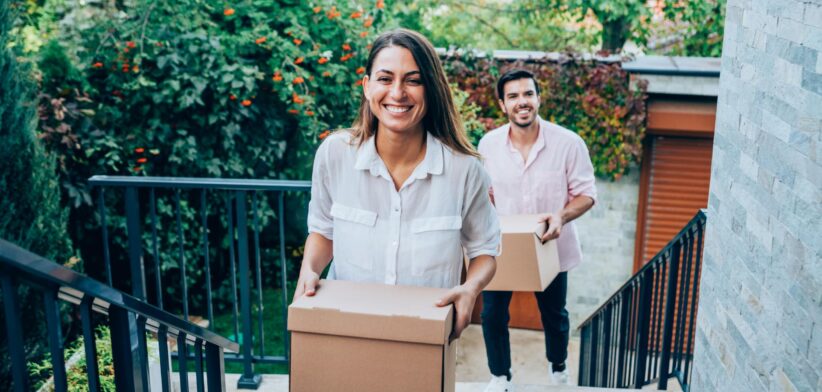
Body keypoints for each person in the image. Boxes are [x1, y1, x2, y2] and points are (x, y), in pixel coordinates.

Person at [292, 28, 500, 339]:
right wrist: (308, 270)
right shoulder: (334, 155)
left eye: (413, 80)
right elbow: (323, 230)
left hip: (424, 336)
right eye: (385, 79)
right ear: (367, 86)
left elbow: (484, 249)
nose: (398, 92)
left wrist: (471, 288)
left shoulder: (466, 171)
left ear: (430, 89)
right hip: (344, 328)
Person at [478, 69, 597, 391]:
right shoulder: (488, 145)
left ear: (538, 98)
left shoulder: (569, 143)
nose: (522, 102)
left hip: (551, 248)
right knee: (492, 315)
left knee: (555, 316)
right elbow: (485, 196)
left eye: (528, 94)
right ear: (503, 104)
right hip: (503, 248)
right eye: (513, 96)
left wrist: (561, 215)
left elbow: (587, 194)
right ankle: (500, 376)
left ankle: (558, 368)